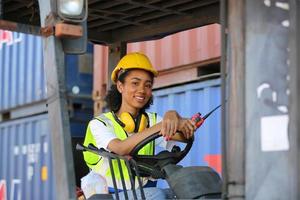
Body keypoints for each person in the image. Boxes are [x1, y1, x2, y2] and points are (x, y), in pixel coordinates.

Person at [81, 52, 197, 199]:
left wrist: (174, 116)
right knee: (158, 195)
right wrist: (161, 125)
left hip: (144, 192)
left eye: (147, 85)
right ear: (120, 86)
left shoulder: (151, 120)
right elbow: (120, 148)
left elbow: (183, 137)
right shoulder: (99, 124)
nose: (142, 90)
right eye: (135, 83)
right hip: (108, 195)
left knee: (188, 193)